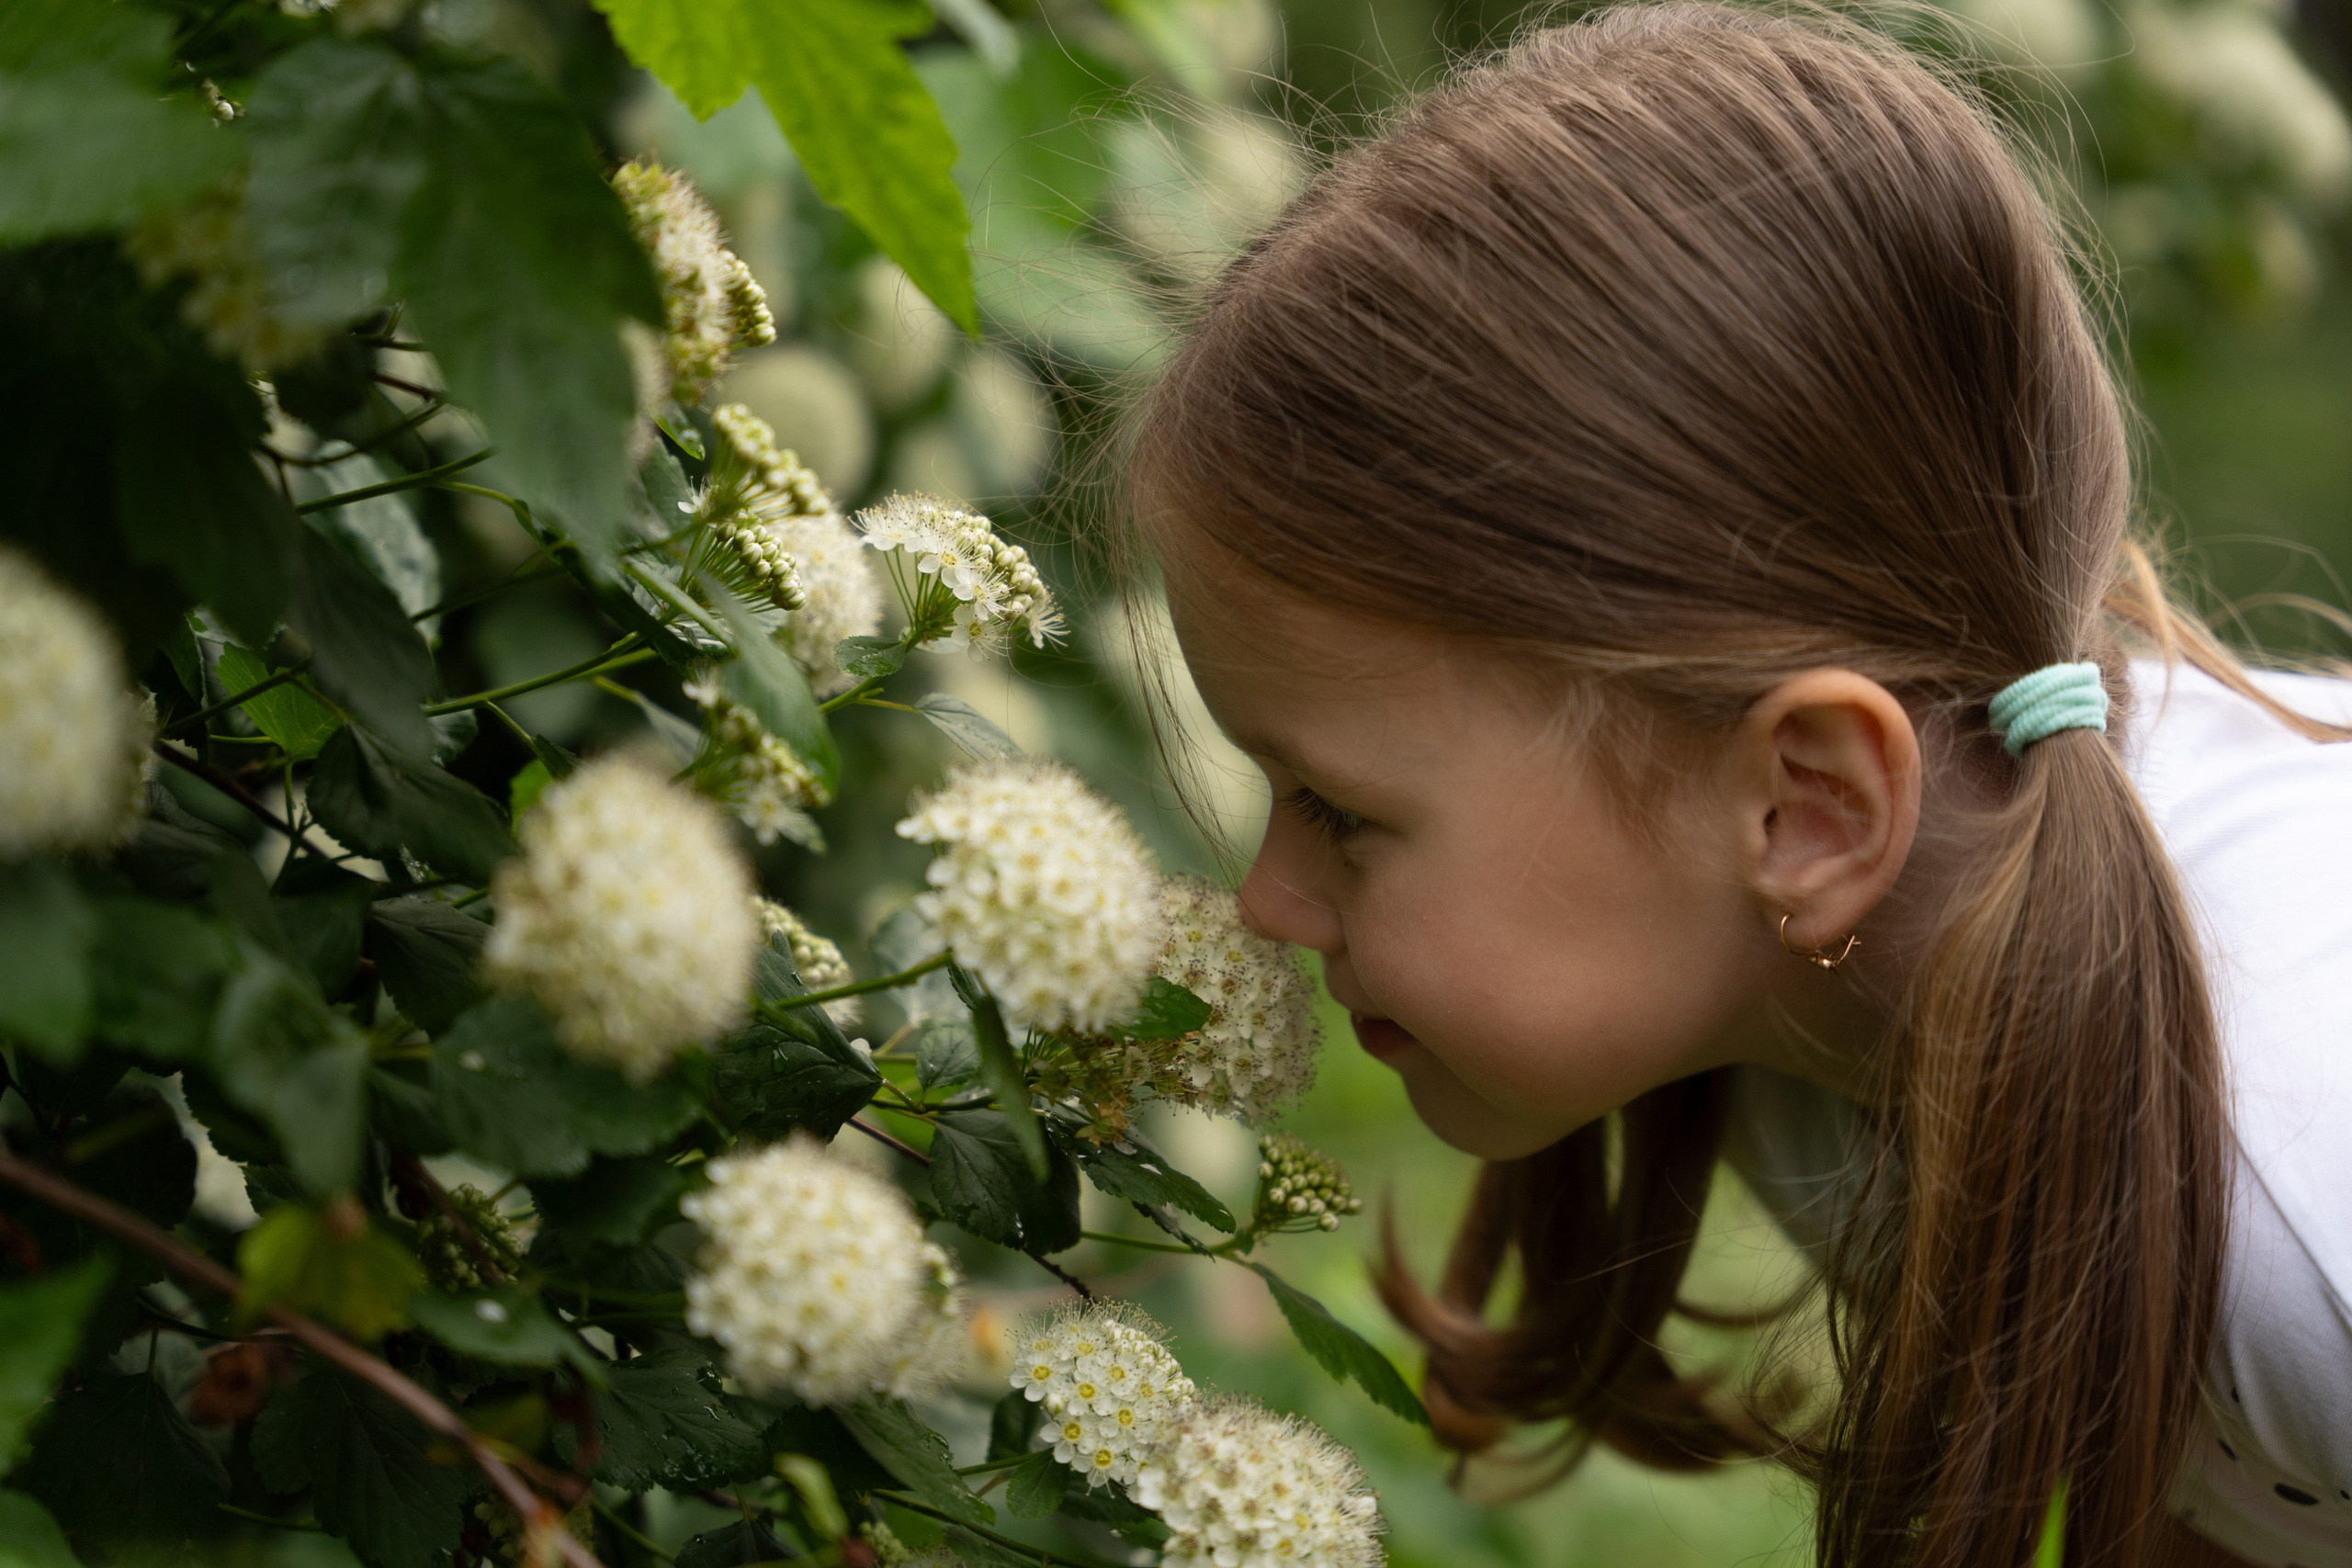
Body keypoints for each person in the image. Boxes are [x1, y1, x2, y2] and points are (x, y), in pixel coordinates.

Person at [1123, 6, 2352, 1565]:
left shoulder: (2309, 1220)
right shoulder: (1836, 1012)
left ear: (1810, 811)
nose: (1267, 902)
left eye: (1345, 815)